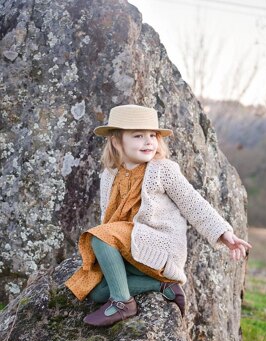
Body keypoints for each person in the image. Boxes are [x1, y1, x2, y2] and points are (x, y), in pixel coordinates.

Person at [65, 104, 252, 327]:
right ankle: (162, 286)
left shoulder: (162, 170)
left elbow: (194, 204)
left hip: (159, 246)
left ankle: (123, 303)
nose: (148, 142)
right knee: (95, 290)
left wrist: (224, 233)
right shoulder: (109, 175)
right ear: (116, 141)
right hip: (130, 249)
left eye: (152, 135)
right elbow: (110, 218)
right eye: (138, 136)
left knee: (98, 237)